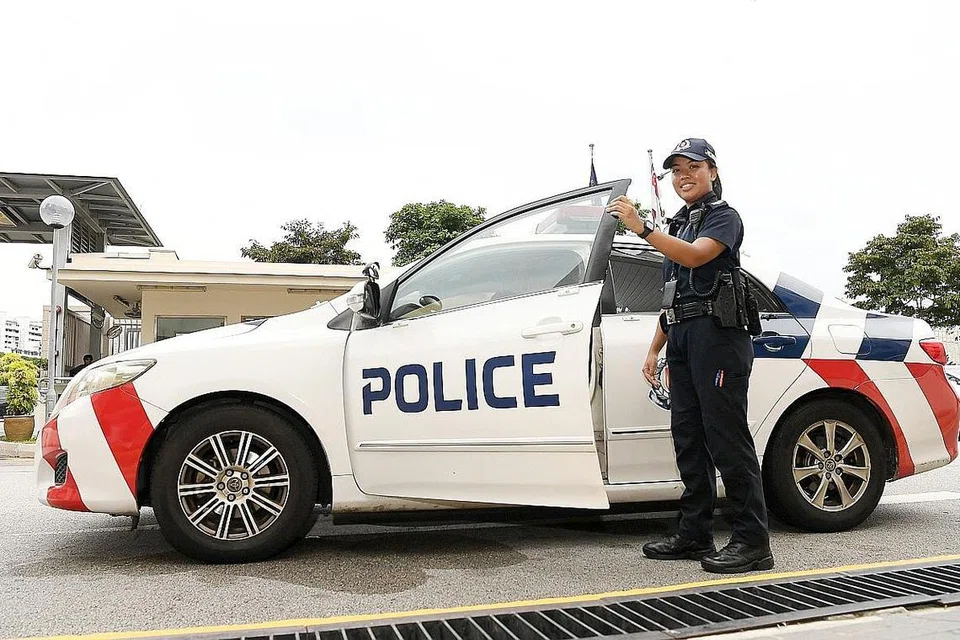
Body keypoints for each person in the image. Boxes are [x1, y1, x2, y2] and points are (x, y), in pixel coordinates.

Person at [606, 138, 773, 574]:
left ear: (712, 171)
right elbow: (672, 296)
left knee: (727, 439)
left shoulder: (723, 217)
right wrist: (653, 349)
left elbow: (699, 258)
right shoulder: (678, 225)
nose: (683, 176)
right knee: (688, 439)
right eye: (676, 170)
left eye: (692, 167)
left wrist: (642, 228)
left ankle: (753, 541)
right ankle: (695, 532)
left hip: (717, 338)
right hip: (682, 334)